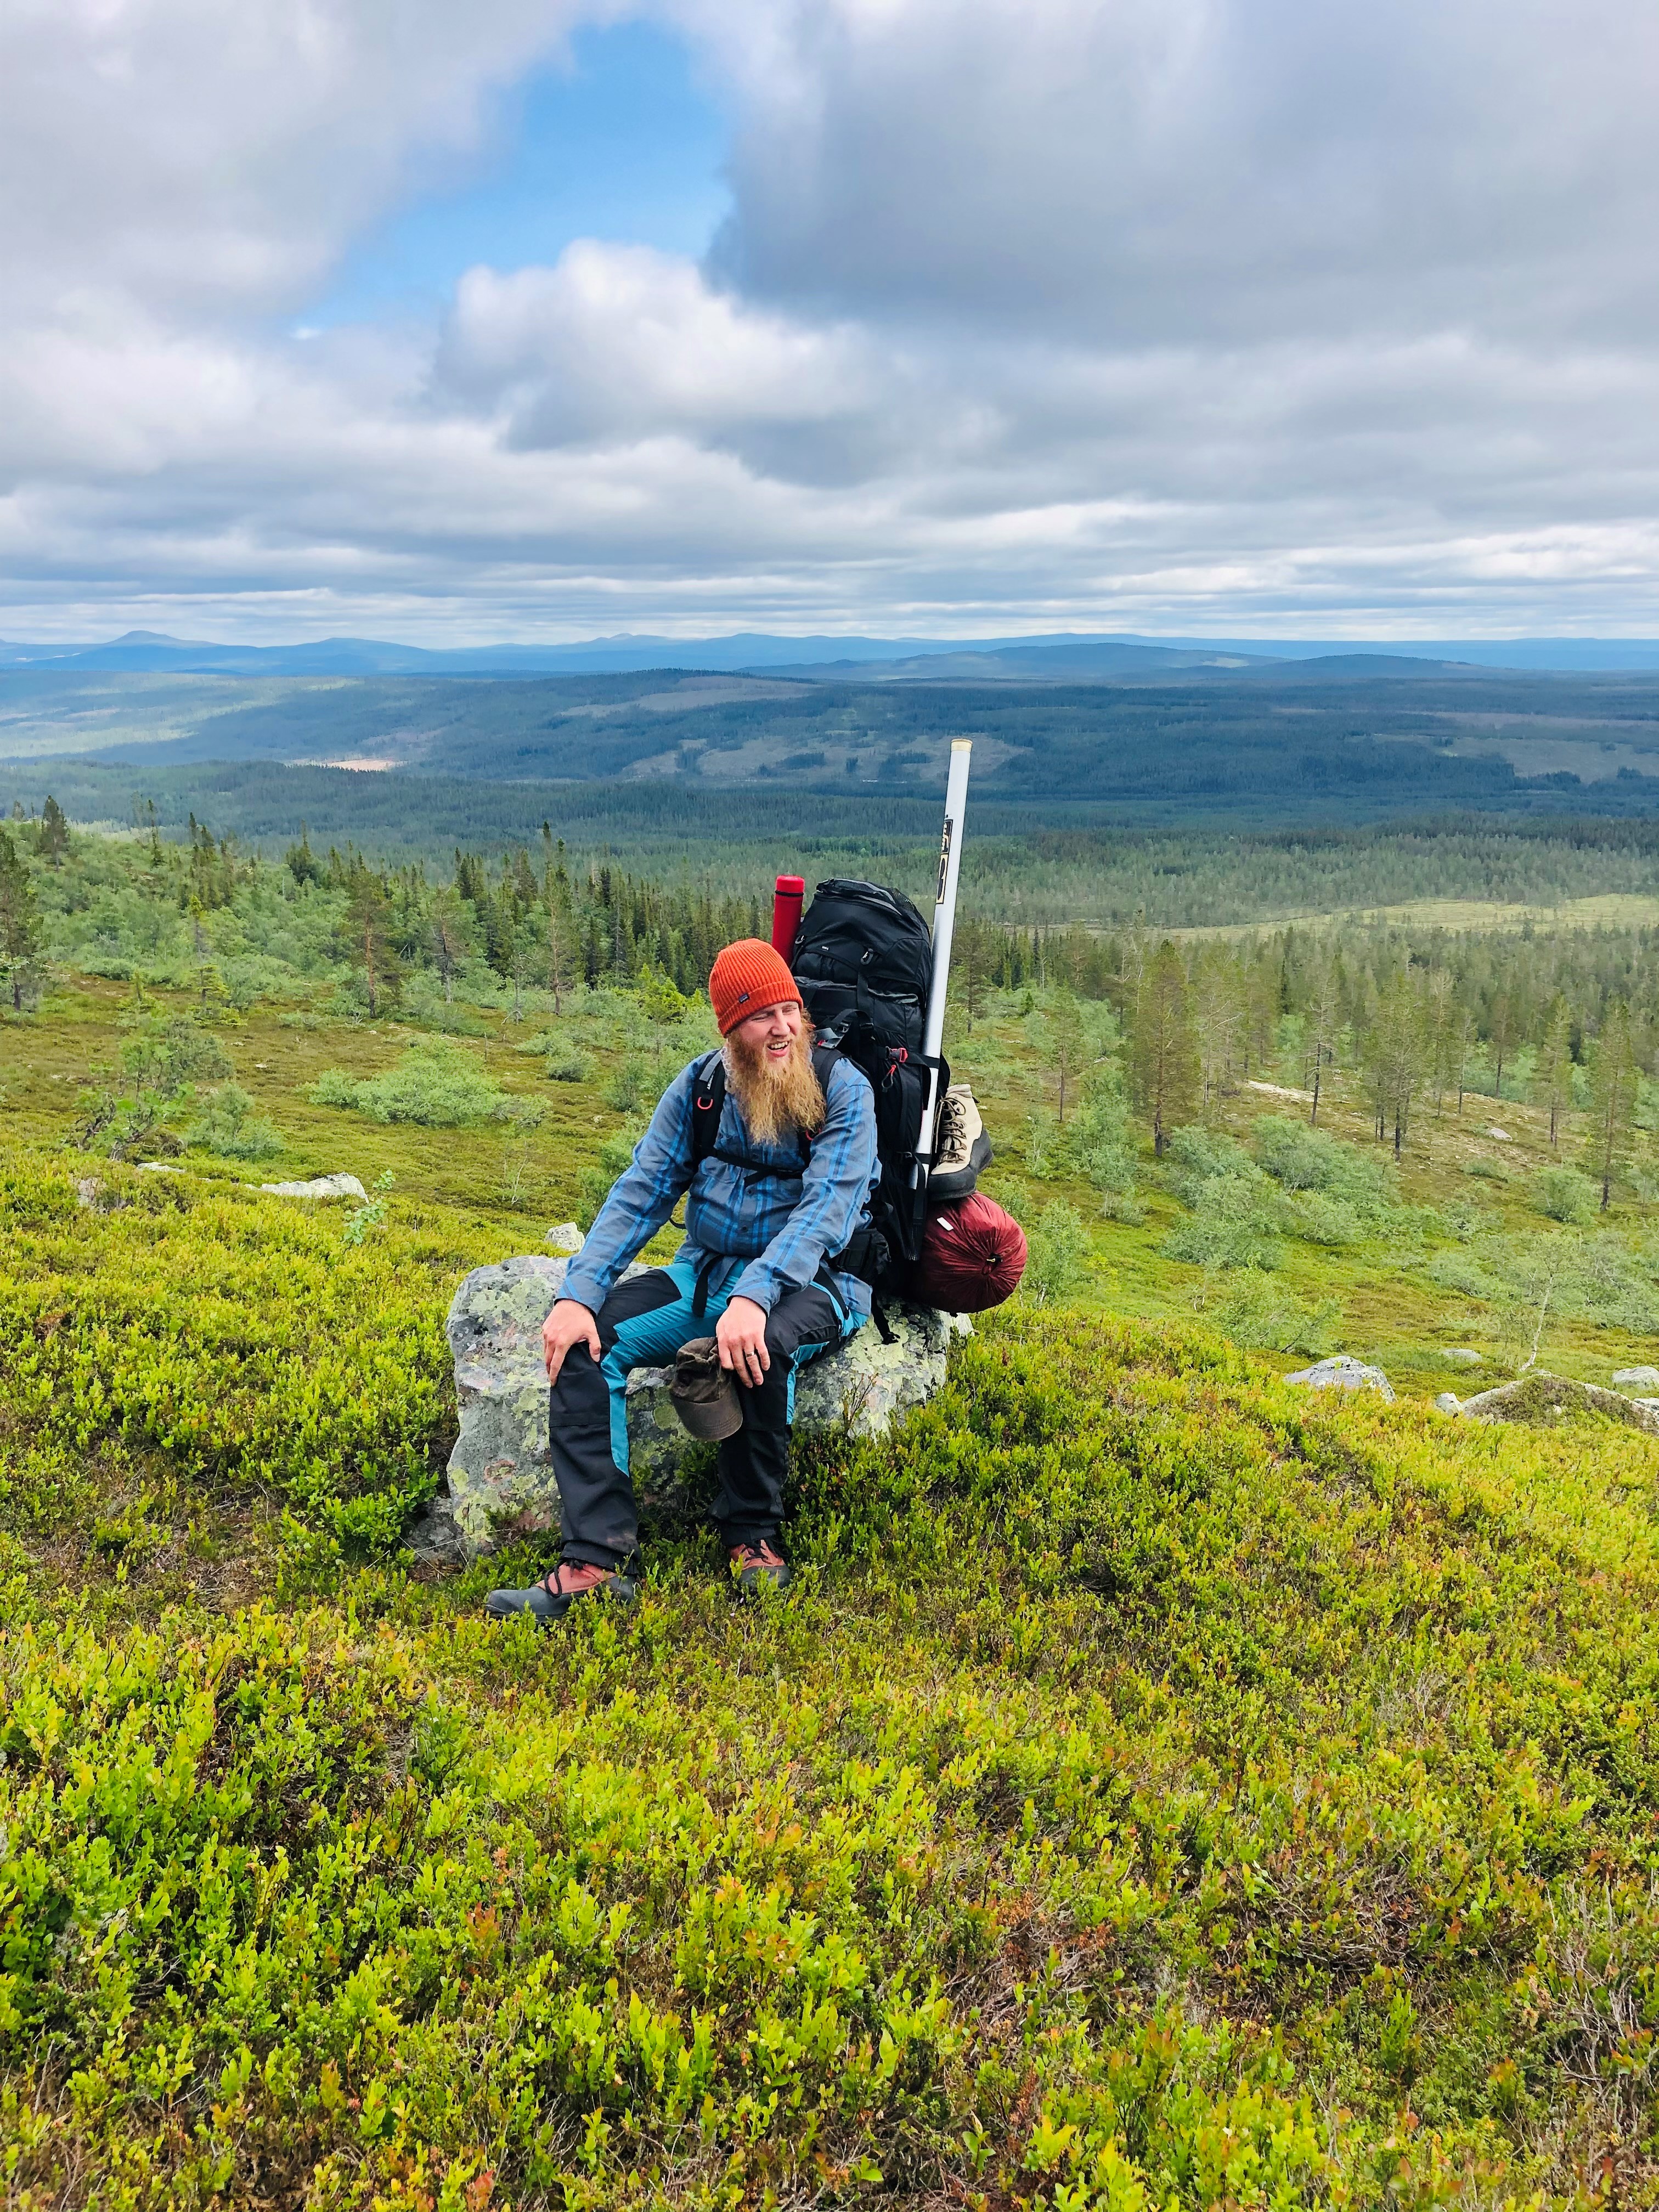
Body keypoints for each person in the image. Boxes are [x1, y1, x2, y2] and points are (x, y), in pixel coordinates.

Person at [485, 938, 879, 1623]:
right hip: (703, 1278)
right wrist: (578, 1293)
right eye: (761, 1016)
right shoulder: (700, 1089)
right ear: (731, 1030)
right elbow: (641, 1193)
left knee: (762, 1348)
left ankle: (752, 1535)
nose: (783, 1028)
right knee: (585, 1345)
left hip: (816, 1284)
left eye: (791, 1010)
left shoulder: (844, 1090)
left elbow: (826, 1214)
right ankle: (593, 1563)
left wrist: (756, 1297)